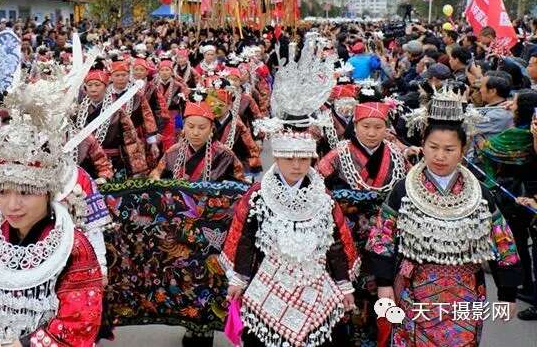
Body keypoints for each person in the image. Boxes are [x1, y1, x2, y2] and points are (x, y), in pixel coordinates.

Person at [0, 82, 103, 346]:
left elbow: (76, 329)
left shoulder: (73, 248)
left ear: (47, 192)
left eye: (25, 192)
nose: (12, 205)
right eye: (2, 192)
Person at [366, 86, 522, 346]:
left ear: (463, 149)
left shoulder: (479, 194)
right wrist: (384, 284)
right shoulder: (404, 190)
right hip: (414, 289)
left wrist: (507, 293)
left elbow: (502, 241)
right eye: (433, 147)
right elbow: (383, 238)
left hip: (466, 293)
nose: (440, 156)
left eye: (449, 149)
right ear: (423, 145)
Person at [220, 128, 360, 347]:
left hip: (314, 279)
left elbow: (336, 241)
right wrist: (239, 279)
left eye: (303, 159)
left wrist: (344, 284)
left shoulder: (322, 197)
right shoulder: (259, 195)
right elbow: (245, 239)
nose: (296, 166)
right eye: (288, 158)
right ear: (276, 157)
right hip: (268, 279)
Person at [317, 93, 408, 345]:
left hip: (386, 234)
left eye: (378, 127)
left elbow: (411, 186)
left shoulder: (396, 155)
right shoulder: (338, 154)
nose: (371, 132)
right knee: (348, 287)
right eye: (365, 126)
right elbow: (316, 184)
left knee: (382, 289)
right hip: (347, 233)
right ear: (355, 126)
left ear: (386, 128)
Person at [478, 90, 537, 315]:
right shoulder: (529, 134)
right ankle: (528, 285)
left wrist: (476, 137)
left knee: (516, 241)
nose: (510, 105)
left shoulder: (515, 135)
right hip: (529, 193)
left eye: (515, 103)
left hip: (514, 193)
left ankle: (525, 283)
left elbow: (487, 149)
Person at [149, 88, 245, 184]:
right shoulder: (172, 152)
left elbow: (240, 184)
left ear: (211, 129)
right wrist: (156, 178)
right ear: (184, 127)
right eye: (190, 126)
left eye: (202, 128)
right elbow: (156, 174)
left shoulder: (225, 155)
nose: (195, 132)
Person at [74, 68, 147, 177]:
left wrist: (138, 168)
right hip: (86, 161)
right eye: (90, 85)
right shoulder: (78, 112)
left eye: (97, 85)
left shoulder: (117, 110)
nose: (93, 89)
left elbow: (130, 139)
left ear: (106, 87)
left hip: (113, 160)